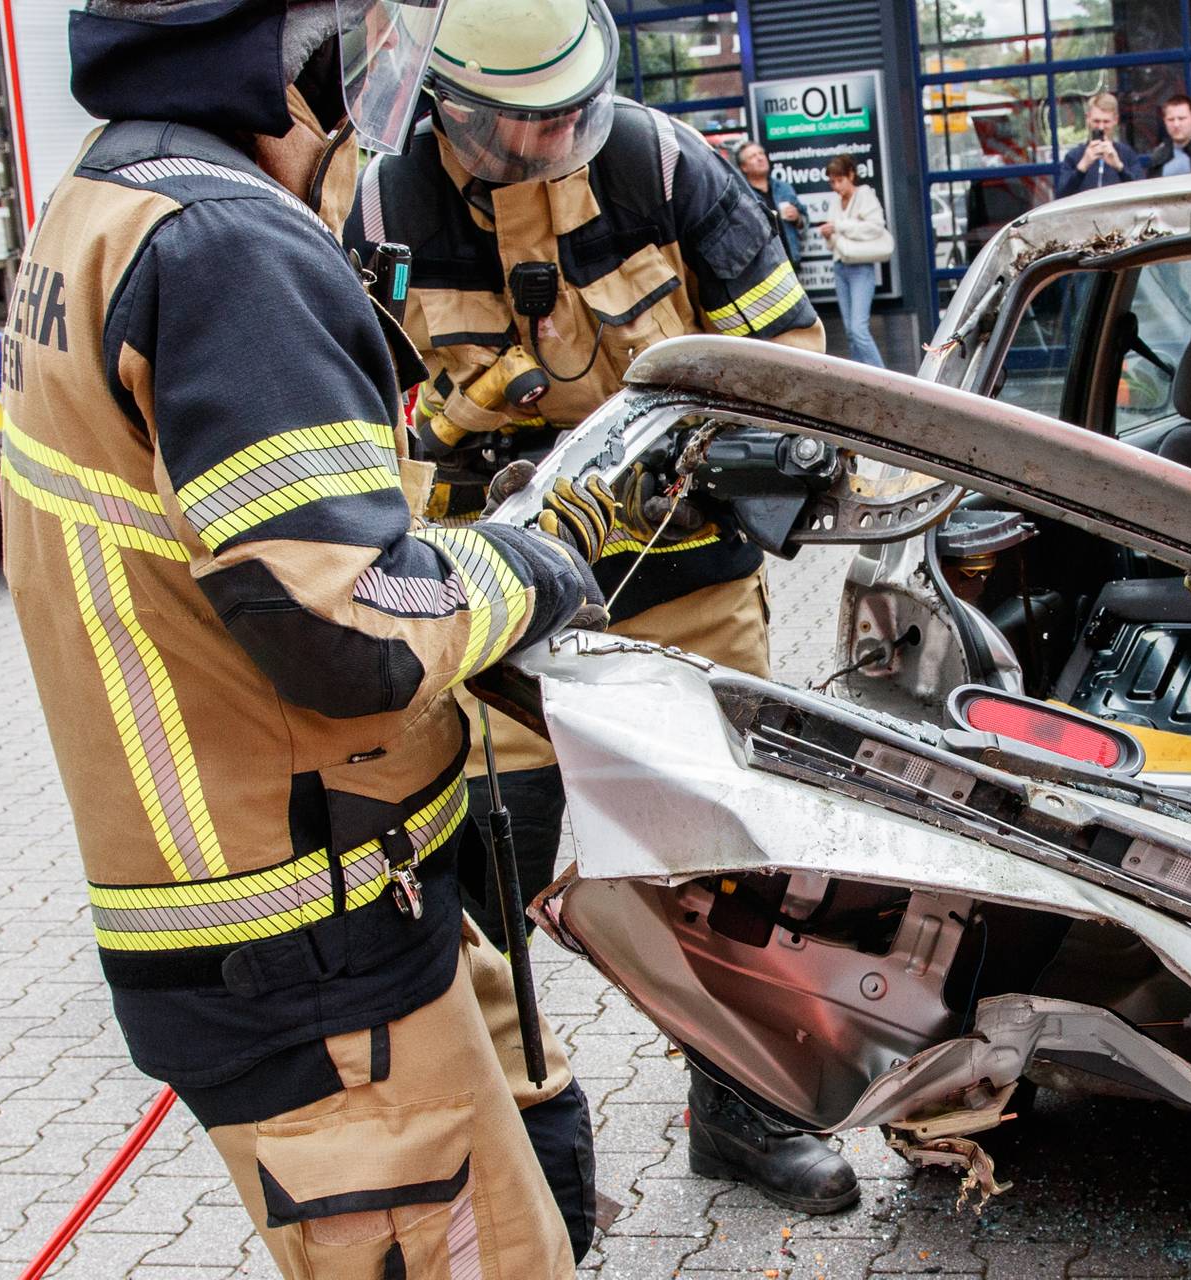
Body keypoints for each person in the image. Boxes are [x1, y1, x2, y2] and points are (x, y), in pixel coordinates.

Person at [2, 1, 626, 1274]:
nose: (371, 81)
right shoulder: (225, 242)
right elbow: (346, 624)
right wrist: (532, 561)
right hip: (306, 942)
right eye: (363, 36)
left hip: (263, 910)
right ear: (281, 54)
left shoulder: (106, 203)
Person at [340, 0, 863, 1219]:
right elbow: (352, 420)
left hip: (688, 594)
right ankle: (499, 1134)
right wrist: (463, 437)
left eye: (574, 108)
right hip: (492, 613)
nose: (558, 139)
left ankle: (743, 1113)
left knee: (724, 865)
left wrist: (714, 448)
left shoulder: (664, 167)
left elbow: (792, 359)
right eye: (525, 125)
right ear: (448, 107)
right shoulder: (379, 215)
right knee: (479, 872)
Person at [819, 154, 893, 368]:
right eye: (832, 181)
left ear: (851, 175)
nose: (836, 186)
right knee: (851, 331)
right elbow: (834, 242)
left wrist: (840, 227)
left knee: (859, 329)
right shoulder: (835, 202)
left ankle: (881, 377)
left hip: (861, 267)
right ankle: (860, 377)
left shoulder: (864, 195)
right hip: (840, 265)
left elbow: (875, 227)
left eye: (839, 180)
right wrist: (830, 234)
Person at [1054, 91, 1142, 197]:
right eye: (1096, 121)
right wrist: (1082, 167)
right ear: (1088, 119)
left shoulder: (1127, 154)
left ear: (1115, 120)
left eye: (1106, 122)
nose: (1101, 127)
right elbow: (1061, 196)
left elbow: (1141, 191)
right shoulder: (1074, 156)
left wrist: (1119, 167)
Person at [738, 140, 806, 267]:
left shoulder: (784, 188)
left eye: (761, 154)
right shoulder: (741, 195)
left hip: (791, 262)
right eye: (753, 156)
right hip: (761, 269)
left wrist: (798, 218)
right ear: (744, 167)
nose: (760, 158)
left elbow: (804, 220)